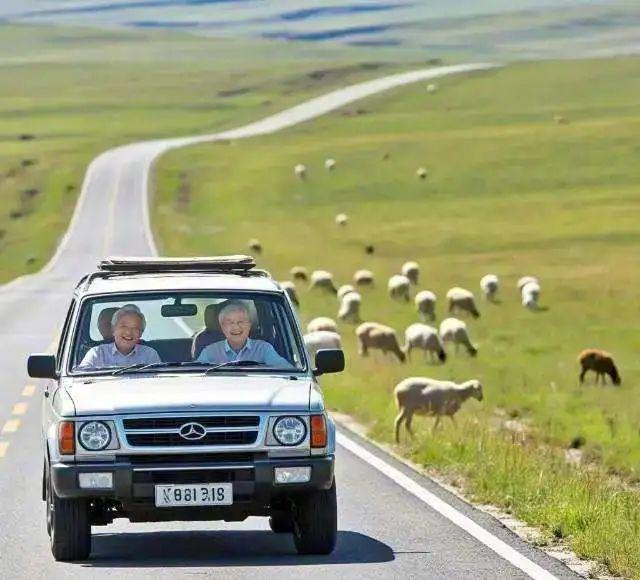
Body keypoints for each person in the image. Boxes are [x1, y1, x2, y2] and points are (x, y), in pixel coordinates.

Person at [196, 301, 291, 367]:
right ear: (223, 328)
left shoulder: (263, 349)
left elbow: (287, 373)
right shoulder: (209, 352)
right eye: (230, 323)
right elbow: (196, 377)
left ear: (249, 325)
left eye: (241, 322)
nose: (236, 327)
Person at [78, 304, 161, 369]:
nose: (128, 332)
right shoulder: (97, 353)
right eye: (124, 326)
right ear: (113, 329)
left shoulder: (150, 355)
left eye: (135, 328)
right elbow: (81, 381)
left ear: (141, 333)